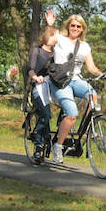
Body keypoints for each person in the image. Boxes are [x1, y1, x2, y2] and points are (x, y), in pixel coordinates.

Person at [45, 9, 105, 164]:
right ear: (68, 26)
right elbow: (48, 40)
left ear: (82, 29)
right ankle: (58, 147)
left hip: (76, 80)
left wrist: (101, 73)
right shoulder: (60, 39)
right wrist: (49, 25)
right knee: (71, 114)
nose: (75, 29)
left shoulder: (84, 46)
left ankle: (85, 132)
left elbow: (91, 67)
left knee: (93, 96)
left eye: (79, 27)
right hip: (60, 82)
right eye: (73, 25)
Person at [27, 26, 59, 163]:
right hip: (39, 87)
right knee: (46, 114)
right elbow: (31, 70)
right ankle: (38, 145)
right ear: (48, 36)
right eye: (55, 36)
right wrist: (36, 78)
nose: (58, 39)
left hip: (51, 88)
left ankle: (58, 141)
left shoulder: (56, 53)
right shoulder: (37, 51)